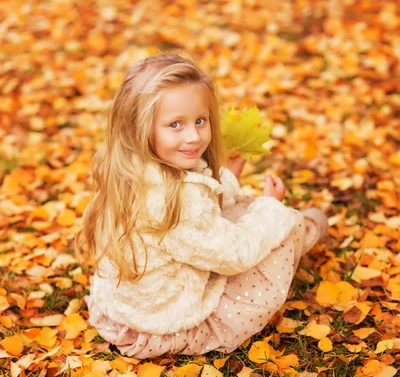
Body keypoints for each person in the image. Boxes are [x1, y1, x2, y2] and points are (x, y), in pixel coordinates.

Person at [76, 53, 328, 359]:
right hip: (166, 326)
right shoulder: (177, 202)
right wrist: (271, 208)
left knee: (239, 213)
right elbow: (235, 254)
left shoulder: (130, 170)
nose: (193, 136)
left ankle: (297, 227)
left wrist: (227, 180)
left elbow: (196, 211)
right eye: (175, 125)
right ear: (141, 128)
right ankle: (303, 232)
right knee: (275, 223)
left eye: (200, 120)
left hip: (125, 313)